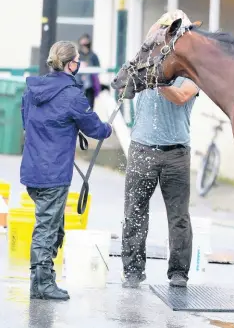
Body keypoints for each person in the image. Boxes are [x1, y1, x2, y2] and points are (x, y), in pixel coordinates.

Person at [21, 41, 113, 300]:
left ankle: (44, 279)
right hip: (54, 174)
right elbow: (94, 127)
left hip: (33, 169)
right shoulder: (72, 95)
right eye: (77, 62)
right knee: (47, 228)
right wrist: (108, 129)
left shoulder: (32, 91)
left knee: (53, 225)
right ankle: (41, 284)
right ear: (72, 64)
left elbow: (25, 121)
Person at [121, 76, 200, 289]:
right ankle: (133, 271)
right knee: (134, 212)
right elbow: (122, 88)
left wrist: (157, 81)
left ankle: (178, 272)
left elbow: (181, 96)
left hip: (176, 154)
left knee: (179, 216)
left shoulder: (189, 75)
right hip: (141, 149)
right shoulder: (146, 69)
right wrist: (131, 77)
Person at [77, 33, 101, 109]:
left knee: (89, 108)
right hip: (78, 85)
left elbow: (97, 69)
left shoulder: (93, 56)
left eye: (86, 44)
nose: (84, 47)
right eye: (83, 45)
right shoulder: (77, 55)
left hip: (90, 87)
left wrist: (88, 69)